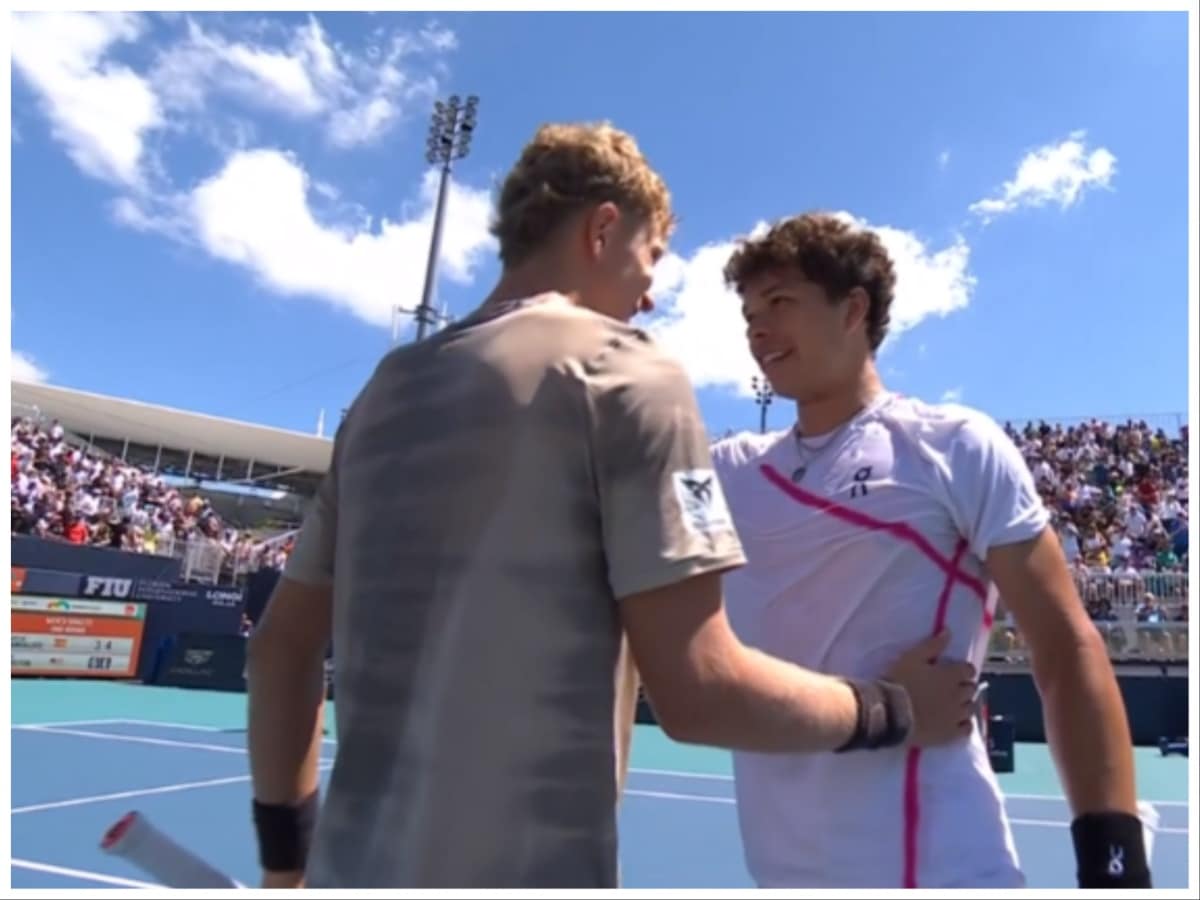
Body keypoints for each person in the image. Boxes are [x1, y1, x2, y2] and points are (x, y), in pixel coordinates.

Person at [244, 125, 977, 890]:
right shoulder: (625, 373)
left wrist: (285, 865)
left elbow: (281, 650)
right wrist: (892, 710)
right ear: (603, 229)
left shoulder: (382, 395)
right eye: (651, 256)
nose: (651, 294)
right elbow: (698, 691)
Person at [711, 212, 1151, 889]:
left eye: (780, 303)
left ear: (853, 308)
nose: (756, 330)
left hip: (942, 870)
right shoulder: (727, 470)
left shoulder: (953, 446)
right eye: (747, 314)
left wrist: (1115, 866)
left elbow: (1066, 648)